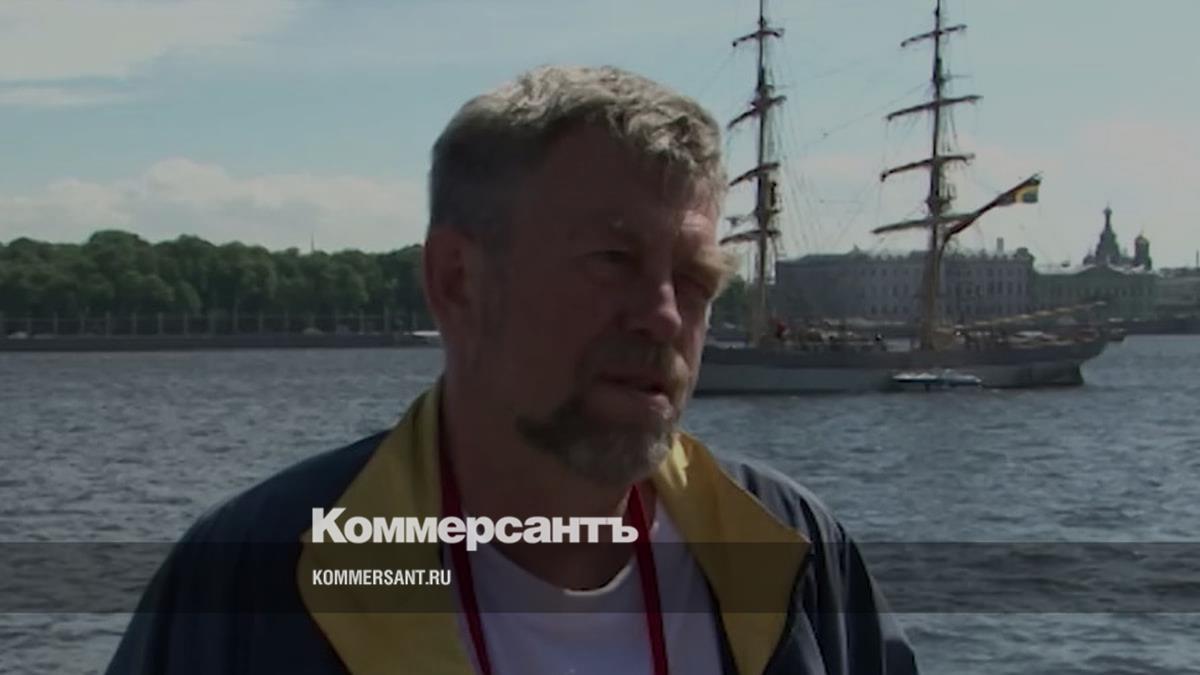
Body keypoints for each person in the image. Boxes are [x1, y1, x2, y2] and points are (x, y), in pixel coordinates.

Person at [106, 65, 918, 675]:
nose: (666, 315)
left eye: (695, 277)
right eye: (612, 260)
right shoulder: (249, 581)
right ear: (457, 280)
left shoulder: (796, 554)